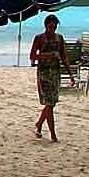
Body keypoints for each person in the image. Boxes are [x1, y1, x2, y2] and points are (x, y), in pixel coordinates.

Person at [29, 14, 71, 142]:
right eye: (50, 26)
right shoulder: (39, 38)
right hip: (44, 74)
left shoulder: (60, 38)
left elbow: (64, 57)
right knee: (49, 103)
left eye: (54, 27)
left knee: (51, 104)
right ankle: (53, 134)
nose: (52, 29)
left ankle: (39, 124)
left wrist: (70, 74)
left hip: (55, 73)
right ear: (46, 26)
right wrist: (47, 55)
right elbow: (32, 56)